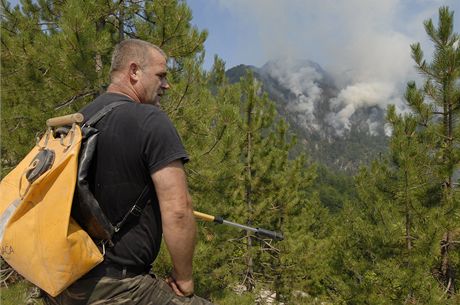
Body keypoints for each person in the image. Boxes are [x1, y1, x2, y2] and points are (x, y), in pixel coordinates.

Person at [44, 39, 214, 305]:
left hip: (65, 281)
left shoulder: (81, 119)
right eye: (161, 75)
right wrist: (184, 279)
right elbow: (179, 209)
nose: (166, 85)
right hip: (119, 288)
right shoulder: (151, 120)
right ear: (134, 71)